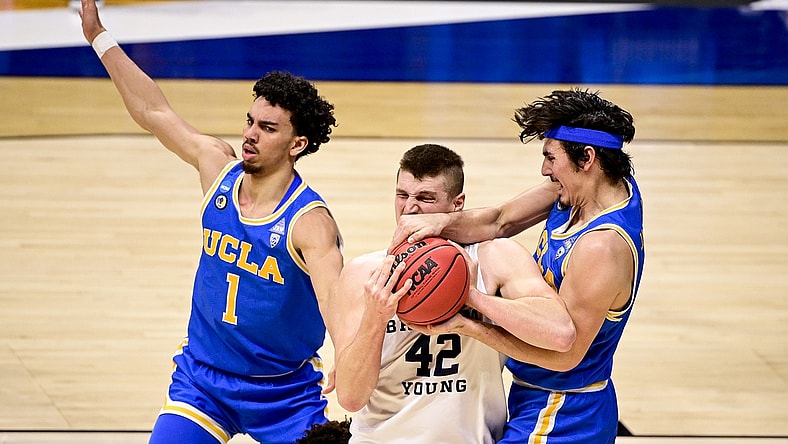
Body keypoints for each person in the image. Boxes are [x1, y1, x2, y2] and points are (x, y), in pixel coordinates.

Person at [78, 1, 345, 442]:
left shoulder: (309, 222)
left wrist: (348, 359)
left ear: (298, 143)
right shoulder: (217, 168)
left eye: (268, 128)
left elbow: (336, 304)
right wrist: (99, 37)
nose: (250, 134)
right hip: (203, 383)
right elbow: (153, 111)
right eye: (250, 120)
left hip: (285, 394)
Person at [391, 89, 644, 443]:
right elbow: (500, 220)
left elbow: (565, 355)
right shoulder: (587, 189)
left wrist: (469, 321)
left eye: (550, 158)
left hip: (563, 411)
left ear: (586, 158)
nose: (544, 170)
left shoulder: (601, 245)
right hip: (538, 396)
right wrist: (440, 223)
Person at [332, 144, 575, 443]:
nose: (410, 208)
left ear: (457, 203)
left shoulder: (495, 258)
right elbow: (351, 398)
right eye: (402, 195)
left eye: (425, 198)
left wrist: (471, 297)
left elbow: (560, 332)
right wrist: (375, 318)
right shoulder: (363, 273)